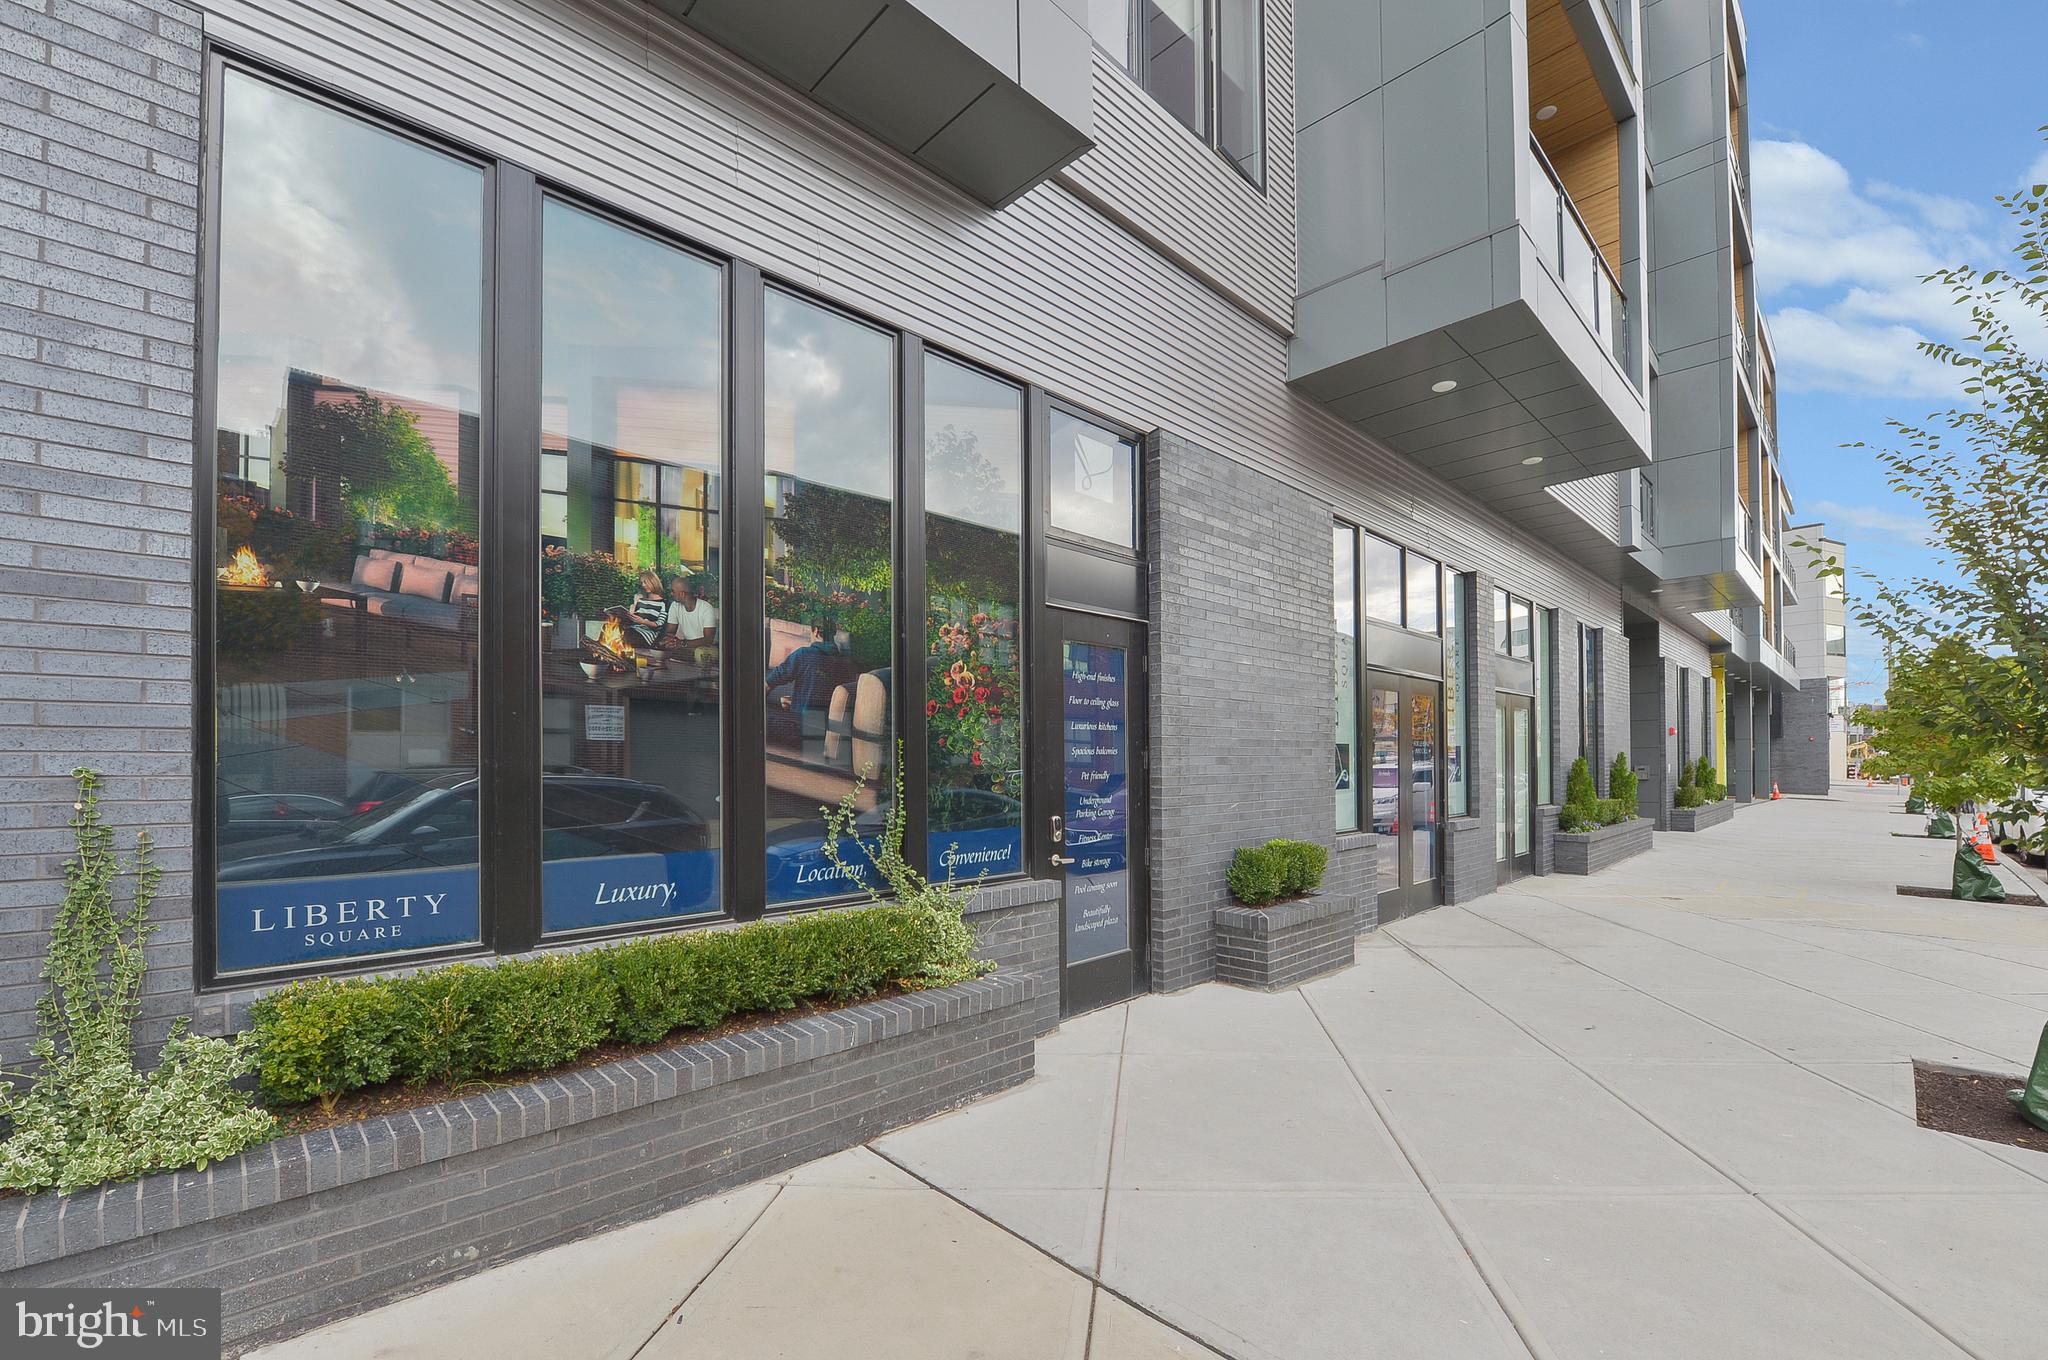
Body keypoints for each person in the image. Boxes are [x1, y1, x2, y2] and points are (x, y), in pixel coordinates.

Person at [765, 619, 838, 747]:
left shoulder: (804, 654)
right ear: (834, 633)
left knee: (752, 720)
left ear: (815, 631)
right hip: (824, 734)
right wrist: (795, 702)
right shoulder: (843, 662)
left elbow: (767, 685)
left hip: (800, 730)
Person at [664, 575, 717, 664]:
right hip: (687, 647)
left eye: (673, 591)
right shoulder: (675, 606)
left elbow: (708, 640)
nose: (671, 594)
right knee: (664, 650)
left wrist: (682, 643)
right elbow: (670, 632)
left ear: (682, 594)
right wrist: (669, 641)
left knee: (700, 653)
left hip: (705, 648)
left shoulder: (706, 608)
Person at [626, 570, 667, 647]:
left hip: (646, 635)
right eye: (642, 583)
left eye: (645, 582)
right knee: (609, 628)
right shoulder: (640, 599)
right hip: (633, 630)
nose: (643, 585)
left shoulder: (663, 604)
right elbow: (631, 619)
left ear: (653, 582)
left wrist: (643, 621)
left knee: (626, 635)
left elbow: (659, 624)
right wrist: (634, 604)